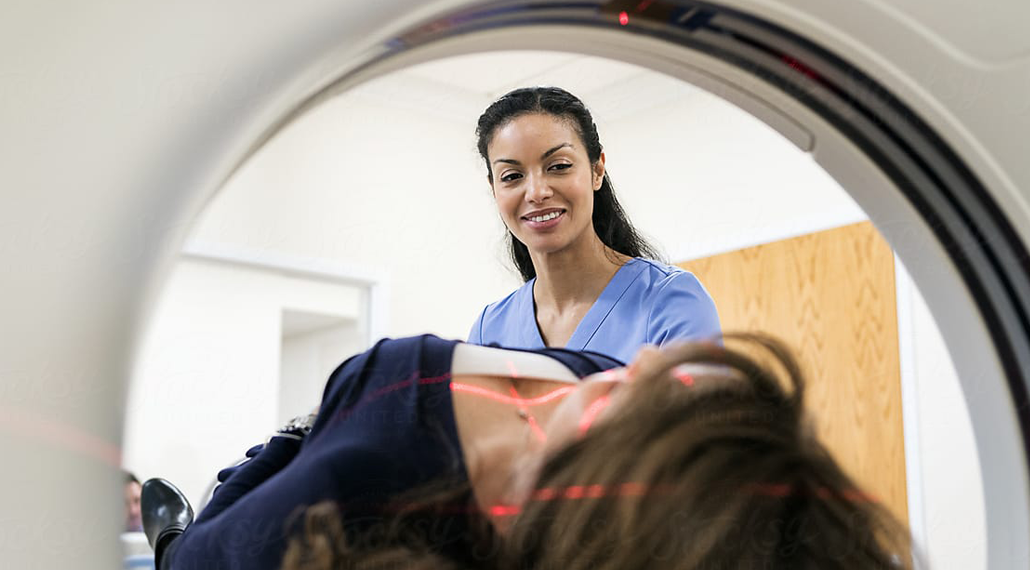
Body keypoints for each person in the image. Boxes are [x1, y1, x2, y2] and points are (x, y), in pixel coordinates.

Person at [145, 334, 911, 570]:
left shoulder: (394, 529)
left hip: (217, 545)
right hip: (295, 439)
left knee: (187, 547)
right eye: (685, 368)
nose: (640, 361)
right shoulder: (587, 375)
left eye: (656, 393)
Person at [468, 86, 721, 363]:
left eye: (559, 166)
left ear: (597, 170)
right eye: (512, 176)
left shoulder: (670, 303)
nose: (536, 192)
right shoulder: (488, 331)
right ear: (494, 189)